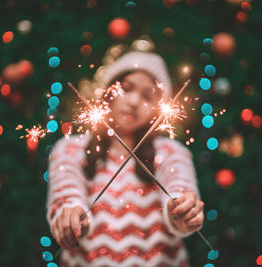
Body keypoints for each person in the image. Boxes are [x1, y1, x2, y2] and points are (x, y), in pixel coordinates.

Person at [46, 50, 204, 266]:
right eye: (126, 88)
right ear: (109, 90)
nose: (133, 101)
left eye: (147, 96)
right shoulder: (70, 148)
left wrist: (181, 210)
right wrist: (71, 214)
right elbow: (67, 191)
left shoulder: (170, 151)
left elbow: (179, 185)